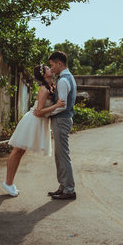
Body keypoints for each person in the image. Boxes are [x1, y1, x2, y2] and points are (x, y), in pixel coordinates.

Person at [1, 65, 66, 197]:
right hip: (33, 121)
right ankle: (8, 183)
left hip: (38, 123)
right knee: (17, 150)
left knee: (20, 151)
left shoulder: (51, 86)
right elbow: (39, 111)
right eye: (48, 69)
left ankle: (10, 183)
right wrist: (56, 105)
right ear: (43, 74)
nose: (51, 70)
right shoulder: (43, 89)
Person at [47, 51, 77, 200]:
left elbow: (62, 105)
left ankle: (69, 190)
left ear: (59, 64)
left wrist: (46, 113)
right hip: (62, 120)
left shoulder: (63, 80)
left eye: (52, 65)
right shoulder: (68, 78)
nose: (51, 68)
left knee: (63, 155)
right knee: (60, 155)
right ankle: (63, 186)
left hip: (61, 119)